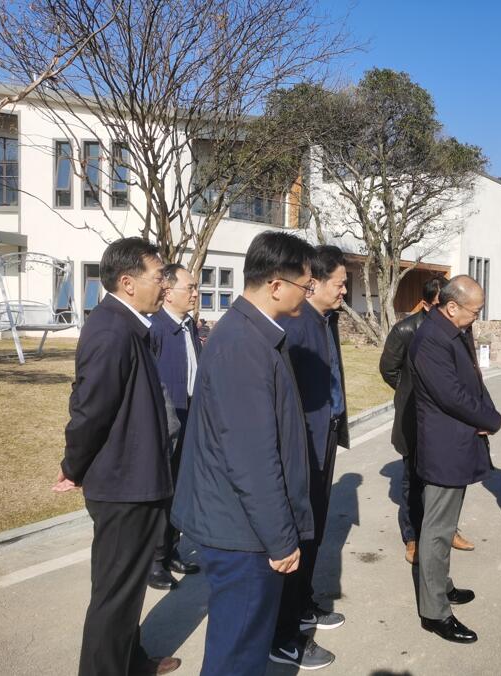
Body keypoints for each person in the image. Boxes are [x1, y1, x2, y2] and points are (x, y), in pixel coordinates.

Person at [171, 231, 317, 675]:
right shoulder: (243, 344)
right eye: (304, 286)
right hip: (242, 535)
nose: (307, 295)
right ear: (276, 285)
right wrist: (280, 537)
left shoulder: (253, 334)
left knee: (240, 648)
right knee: (237, 656)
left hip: (242, 526)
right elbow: (251, 457)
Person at [54, 237, 181, 676]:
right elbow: (90, 409)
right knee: (113, 594)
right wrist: (73, 466)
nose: (164, 286)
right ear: (127, 282)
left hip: (137, 480)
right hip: (123, 486)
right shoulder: (111, 328)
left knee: (125, 591)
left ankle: (131, 662)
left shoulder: (128, 325)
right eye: (157, 277)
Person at [409, 275, 501, 644]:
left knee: (444, 527)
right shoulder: (430, 339)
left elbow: (473, 383)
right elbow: (451, 396)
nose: (476, 317)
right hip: (444, 447)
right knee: (435, 531)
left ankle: (441, 586)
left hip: (458, 443)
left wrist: (487, 413)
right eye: (474, 310)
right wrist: (490, 419)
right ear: (451, 307)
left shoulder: (451, 331)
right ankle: (435, 612)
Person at [272, 245, 350, 670]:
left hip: (324, 437)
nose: (344, 291)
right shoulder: (297, 327)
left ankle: (303, 606)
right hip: (302, 445)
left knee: (315, 532)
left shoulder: (324, 320)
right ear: (313, 283)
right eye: (339, 283)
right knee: (298, 536)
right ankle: (284, 634)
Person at [379, 277, 476, 565]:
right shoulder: (406, 330)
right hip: (415, 420)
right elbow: (388, 369)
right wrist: (417, 392)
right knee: (413, 481)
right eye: (439, 306)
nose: (447, 313)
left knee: (451, 479)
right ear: (425, 303)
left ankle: (448, 530)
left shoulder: (460, 328)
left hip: (450, 421)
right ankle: (413, 536)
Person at [147, 263, 201, 591]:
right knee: (161, 491)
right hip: (166, 421)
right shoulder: (155, 328)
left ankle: (173, 549)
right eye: (190, 288)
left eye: (196, 288)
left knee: (182, 488)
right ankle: (154, 560)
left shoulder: (189, 325)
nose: (195, 293)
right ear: (167, 292)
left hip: (191, 414)